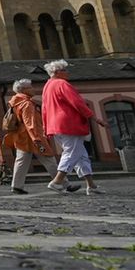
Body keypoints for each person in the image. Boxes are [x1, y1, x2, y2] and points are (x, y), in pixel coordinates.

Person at [4, 79, 76, 195]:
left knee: (21, 161)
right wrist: (37, 139)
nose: (33, 89)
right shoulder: (26, 104)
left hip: (22, 138)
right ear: (23, 90)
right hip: (33, 138)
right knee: (49, 159)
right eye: (30, 87)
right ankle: (63, 184)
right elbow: (30, 123)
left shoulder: (15, 102)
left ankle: (16, 186)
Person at [41, 60, 101, 195]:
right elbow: (77, 102)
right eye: (65, 70)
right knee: (71, 153)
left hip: (55, 125)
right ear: (58, 72)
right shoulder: (62, 84)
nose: (68, 73)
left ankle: (91, 185)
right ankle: (57, 181)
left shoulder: (47, 86)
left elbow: (44, 108)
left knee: (80, 155)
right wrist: (93, 117)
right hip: (68, 123)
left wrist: (46, 126)